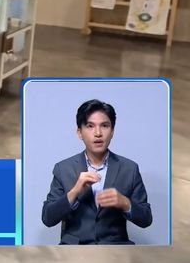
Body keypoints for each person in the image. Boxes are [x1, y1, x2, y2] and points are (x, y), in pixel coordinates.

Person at [41, 99, 152, 244]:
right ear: (79, 133)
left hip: (115, 248)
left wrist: (125, 203)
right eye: (90, 126)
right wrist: (74, 192)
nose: (98, 133)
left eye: (104, 126)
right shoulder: (63, 168)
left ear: (112, 131)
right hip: (75, 249)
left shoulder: (129, 169)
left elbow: (146, 219)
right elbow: (47, 218)